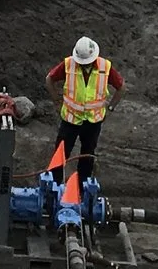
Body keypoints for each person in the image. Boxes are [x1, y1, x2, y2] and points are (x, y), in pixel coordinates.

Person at [46, 35, 123, 184]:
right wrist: (57, 101)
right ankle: (54, 185)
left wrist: (111, 107)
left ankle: (82, 187)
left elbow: (121, 87)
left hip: (93, 121)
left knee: (87, 155)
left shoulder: (105, 66)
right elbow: (49, 79)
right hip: (71, 119)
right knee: (60, 153)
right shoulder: (68, 64)